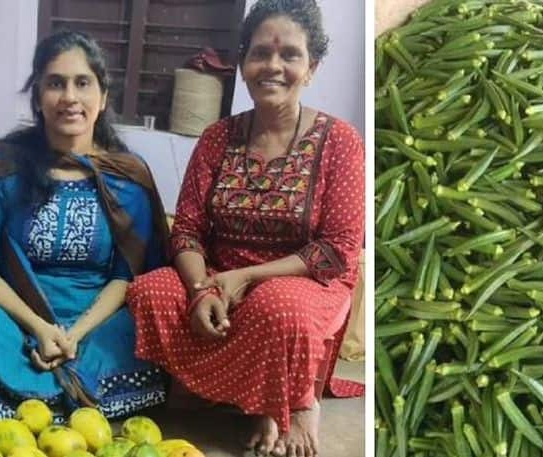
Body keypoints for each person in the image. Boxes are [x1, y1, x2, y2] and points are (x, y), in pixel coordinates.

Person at [126, 0, 365, 455]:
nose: (272, 66)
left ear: (311, 67)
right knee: (152, 290)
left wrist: (247, 277)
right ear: (242, 62)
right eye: (260, 53)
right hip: (218, 274)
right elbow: (188, 230)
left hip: (304, 282)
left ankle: (292, 402)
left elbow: (338, 249)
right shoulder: (217, 137)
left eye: (289, 55)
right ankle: (214, 393)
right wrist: (202, 288)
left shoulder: (340, 141)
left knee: (277, 307)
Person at [0, 31, 170, 419]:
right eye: (56, 83)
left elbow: (126, 278)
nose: (70, 97)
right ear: (38, 96)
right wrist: (40, 327)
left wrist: (74, 334)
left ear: (103, 97)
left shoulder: (128, 178)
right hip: (9, 318)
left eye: (82, 83)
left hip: (98, 322)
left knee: (148, 336)